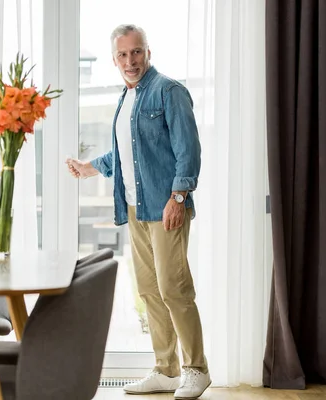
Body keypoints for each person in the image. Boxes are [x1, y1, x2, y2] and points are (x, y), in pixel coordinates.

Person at [66, 24, 210, 399]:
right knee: (148, 291)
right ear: (114, 59)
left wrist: (178, 197)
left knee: (173, 288)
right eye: (123, 55)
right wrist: (90, 167)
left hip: (166, 207)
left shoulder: (169, 91)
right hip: (134, 206)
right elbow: (126, 154)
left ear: (148, 52)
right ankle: (166, 370)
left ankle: (197, 369)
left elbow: (188, 150)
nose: (130, 61)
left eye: (136, 52)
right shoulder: (125, 99)